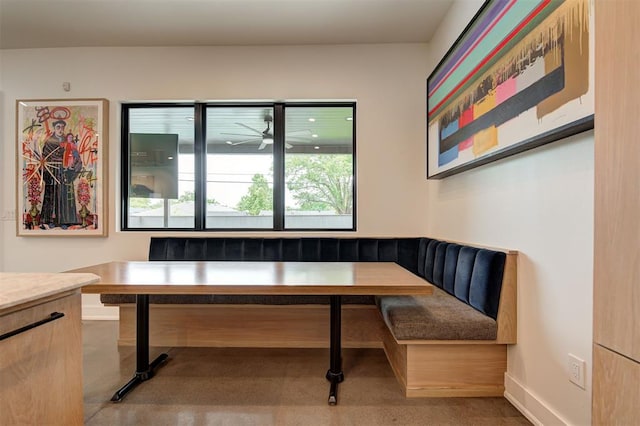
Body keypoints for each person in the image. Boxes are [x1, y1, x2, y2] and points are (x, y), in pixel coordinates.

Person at [40, 120, 66, 227]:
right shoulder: (49, 141)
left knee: (62, 195)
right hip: (52, 171)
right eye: (58, 127)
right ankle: (49, 220)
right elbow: (44, 158)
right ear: (54, 128)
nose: (60, 129)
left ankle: (62, 221)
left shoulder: (67, 140)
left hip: (63, 171)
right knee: (51, 195)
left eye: (62, 127)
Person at [59, 133, 83, 226]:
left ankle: (70, 219)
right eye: (69, 137)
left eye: (71, 138)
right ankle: (61, 219)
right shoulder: (62, 147)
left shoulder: (74, 148)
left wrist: (72, 168)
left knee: (69, 198)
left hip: (69, 174)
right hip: (61, 174)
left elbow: (78, 161)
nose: (70, 139)